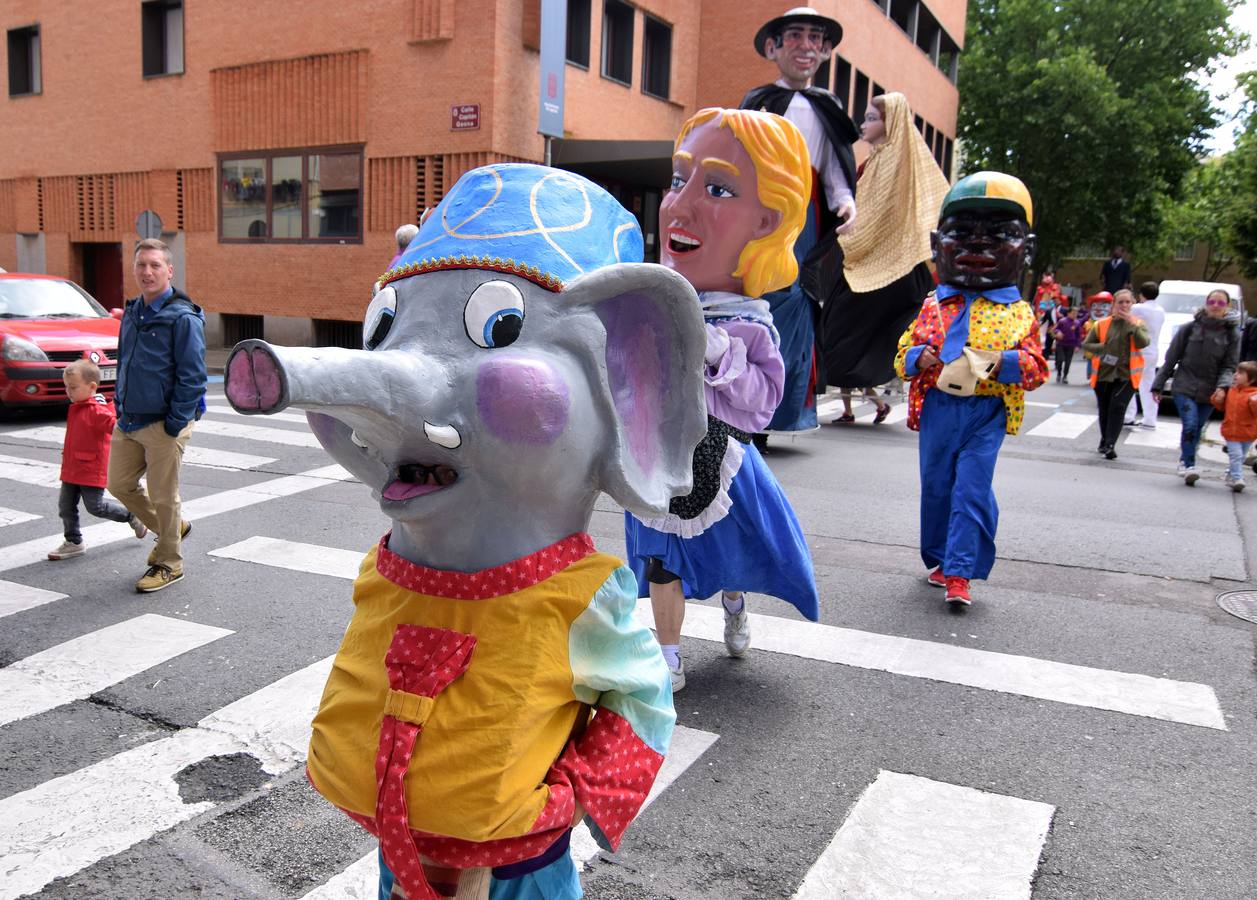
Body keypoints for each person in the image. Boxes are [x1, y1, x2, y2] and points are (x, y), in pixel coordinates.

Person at [625, 107, 820, 691]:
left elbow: (763, 404)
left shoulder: (751, 326)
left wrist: (713, 352)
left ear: (767, 221)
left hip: (722, 467)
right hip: (658, 462)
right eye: (678, 179)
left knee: (730, 558)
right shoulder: (649, 300)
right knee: (661, 560)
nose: (679, 206)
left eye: (715, 187)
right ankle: (669, 655)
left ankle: (735, 607)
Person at [893, 171, 1048, 608]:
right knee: (938, 486)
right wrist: (918, 357)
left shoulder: (1019, 314)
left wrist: (1002, 362)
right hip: (940, 407)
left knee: (971, 489)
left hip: (986, 412)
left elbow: (1037, 368)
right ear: (935, 242)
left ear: (1027, 249)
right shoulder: (931, 306)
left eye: (1001, 234)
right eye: (961, 231)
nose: (977, 245)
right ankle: (941, 559)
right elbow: (902, 354)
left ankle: (961, 573)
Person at [741, 7, 860, 440]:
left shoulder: (828, 108)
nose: (805, 46)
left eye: (815, 38)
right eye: (795, 36)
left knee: (794, 306)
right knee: (753, 300)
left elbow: (832, 171)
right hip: (758, 215)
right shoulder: (757, 104)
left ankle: (777, 412)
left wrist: (845, 203)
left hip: (804, 220)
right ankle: (743, 405)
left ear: (826, 50)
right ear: (774, 47)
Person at [820, 91, 949, 423]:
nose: (864, 124)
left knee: (848, 334)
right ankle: (863, 398)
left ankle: (870, 396)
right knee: (837, 335)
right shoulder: (874, 162)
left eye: (872, 118)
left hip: (888, 272)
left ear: (890, 122)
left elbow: (880, 217)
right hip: (862, 265)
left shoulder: (899, 165)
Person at [107, 238, 206, 592]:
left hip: (164, 422)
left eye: (154, 265)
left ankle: (169, 562)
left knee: (164, 496)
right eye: (141, 265)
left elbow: (193, 376)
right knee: (118, 484)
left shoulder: (183, 317)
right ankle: (173, 528)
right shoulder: (133, 312)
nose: (147, 272)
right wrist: (119, 404)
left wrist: (175, 423)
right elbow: (124, 363)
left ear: (169, 270)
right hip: (129, 417)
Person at [46, 360, 148, 560]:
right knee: (65, 507)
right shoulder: (78, 406)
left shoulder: (96, 410)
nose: (69, 392)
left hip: (91, 468)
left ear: (92, 387)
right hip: (72, 468)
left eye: (73, 387)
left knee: (96, 507)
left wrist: (118, 413)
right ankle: (74, 541)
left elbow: (115, 427)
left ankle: (131, 515)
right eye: (67, 387)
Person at [1152, 289, 1241, 486]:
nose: (1216, 306)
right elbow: (1171, 358)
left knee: (1198, 427)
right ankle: (1189, 466)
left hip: (1210, 389)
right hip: (1185, 385)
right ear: (1206, 303)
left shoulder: (1232, 334)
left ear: (1227, 307)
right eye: (1212, 302)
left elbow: (1229, 365)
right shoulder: (1189, 328)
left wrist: (1222, 387)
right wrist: (1158, 385)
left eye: (1220, 303)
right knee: (1190, 424)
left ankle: (1184, 459)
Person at [1082, 289, 1150, 460]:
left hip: (1126, 375)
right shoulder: (1101, 324)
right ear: (1113, 305)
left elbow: (1143, 343)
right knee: (1105, 409)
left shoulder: (1138, 324)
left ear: (1132, 304)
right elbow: (1087, 345)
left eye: (1128, 302)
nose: (1124, 305)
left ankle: (1111, 444)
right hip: (1104, 374)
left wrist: (1133, 325)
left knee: (1118, 407)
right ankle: (1104, 440)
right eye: (1121, 302)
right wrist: (1102, 348)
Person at [1125, 281, 1165, 428]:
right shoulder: (1160, 310)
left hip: (1139, 351)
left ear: (1141, 294)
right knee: (1148, 385)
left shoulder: (1138, 308)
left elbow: (1126, 316)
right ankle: (1150, 419)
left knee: (1129, 383)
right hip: (1153, 350)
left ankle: (1129, 415)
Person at [1213, 360, 1257, 492]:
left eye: (1240, 373)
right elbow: (1221, 406)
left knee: (1241, 456)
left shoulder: (1254, 393)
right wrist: (1217, 398)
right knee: (1236, 455)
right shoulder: (1231, 391)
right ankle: (1237, 478)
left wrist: (1254, 403)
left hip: (1248, 432)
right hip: (1231, 430)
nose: (1235, 375)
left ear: (1251, 378)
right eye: (1236, 372)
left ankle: (1231, 473)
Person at [1051, 305, 1084, 384]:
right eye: (1073, 313)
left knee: (1068, 361)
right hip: (1061, 343)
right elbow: (1055, 329)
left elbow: (1078, 335)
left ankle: (1065, 376)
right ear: (1068, 313)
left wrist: (1077, 345)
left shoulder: (1077, 323)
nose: (1074, 315)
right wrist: (1058, 332)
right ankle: (1059, 373)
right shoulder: (1062, 321)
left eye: (1076, 314)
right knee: (1060, 359)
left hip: (1071, 344)